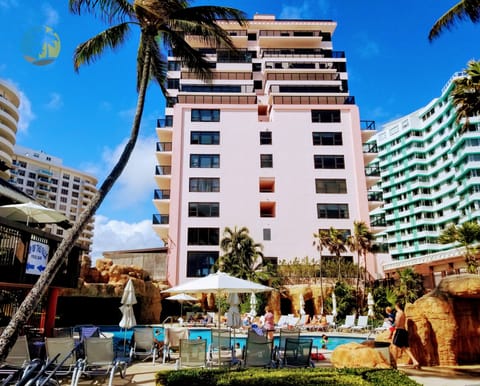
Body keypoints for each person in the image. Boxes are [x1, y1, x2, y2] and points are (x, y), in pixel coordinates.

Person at [391, 301, 420, 369]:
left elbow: (397, 324)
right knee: (405, 348)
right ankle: (415, 361)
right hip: (403, 331)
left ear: (396, 306)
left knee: (394, 346)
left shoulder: (398, 313)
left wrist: (391, 330)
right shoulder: (403, 313)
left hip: (399, 331)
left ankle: (394, 364)